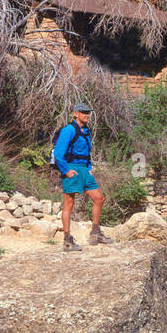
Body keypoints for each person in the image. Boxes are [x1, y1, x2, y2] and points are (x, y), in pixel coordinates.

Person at [53, 103, 111, 251]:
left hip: (84, 169)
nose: (86, 115)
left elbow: (87, 152)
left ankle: (95, 233)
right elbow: (58, 153)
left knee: (99, 198)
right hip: (71, 168)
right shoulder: (68, 130)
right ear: (76, 114)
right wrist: (67, 171)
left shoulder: (87, 131)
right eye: (83, 112)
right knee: (69, 204)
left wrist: (90, 168)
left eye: (88, 112)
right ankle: (67, 240)